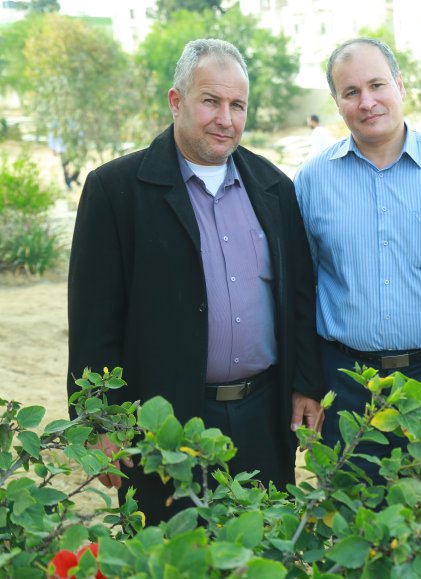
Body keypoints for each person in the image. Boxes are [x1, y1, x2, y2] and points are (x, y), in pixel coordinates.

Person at [67, 38, 325, 524]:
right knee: (170, 552)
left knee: (260, 549)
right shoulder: (115, 191)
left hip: (262, 418)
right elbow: (93, 322)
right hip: (162, 423)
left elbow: (298, 297)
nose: (225, 118)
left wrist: (306, 384)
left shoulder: (275, 187)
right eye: (211, 101)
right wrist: (99, 422)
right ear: (176, 101)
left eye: (237, 105)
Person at [293, 37, 421, 550]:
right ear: (336, 102)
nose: (367, 102)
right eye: (350, 92)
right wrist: (304, 384)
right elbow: (299, 290)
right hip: (346, 388)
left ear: (400, 85)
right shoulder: (312, 181)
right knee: (353, 539)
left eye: (377, 85)